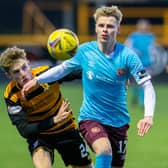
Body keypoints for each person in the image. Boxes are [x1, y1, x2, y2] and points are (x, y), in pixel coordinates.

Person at [22, 5, 156, 168]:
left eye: (110, 26)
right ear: (96, 28)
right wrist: (37, 80)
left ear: (118, 29)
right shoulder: (85, 51)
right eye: (101, 25)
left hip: (118, 122)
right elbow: (63, 69)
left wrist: (148, 116)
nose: (105, 30)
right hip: (90, 118)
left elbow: (147, 85)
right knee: (104, 150)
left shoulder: (128, 56)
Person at [0, 46, 93, 168]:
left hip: (65, 129)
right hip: (40, 135)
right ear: (9, 75)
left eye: (24, 67)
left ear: (29, 64)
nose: (23, 74)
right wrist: (54, 120)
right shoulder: (12, 95)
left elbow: (77, 73)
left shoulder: (46, 74)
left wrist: (104, 71)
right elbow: (24, 130)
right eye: (16, 72)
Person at [125, 19, 156, 107]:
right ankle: (136, 95)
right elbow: (127, 46)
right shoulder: (133, 36)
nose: (144, 27)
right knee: (135, 82)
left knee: (144, 82)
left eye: (145, 25)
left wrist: (153, 59)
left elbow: (153, 49)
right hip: (136, 63)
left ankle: (143, 102)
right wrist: (134, 52)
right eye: (142, 25)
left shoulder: (151, 36)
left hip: (146, 64)